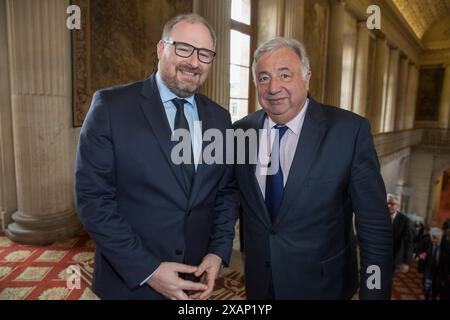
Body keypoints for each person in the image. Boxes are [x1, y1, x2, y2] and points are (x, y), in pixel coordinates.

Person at [75, 13, 239, 300]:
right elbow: (93, 200)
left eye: (205, 53)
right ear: (161, 49)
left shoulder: (220, 118)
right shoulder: (111, 107)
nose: (194, 61)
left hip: (194, 278)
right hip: (128, 282)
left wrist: (217, 251)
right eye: (183, 48)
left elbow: (225, 193)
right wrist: (148, 270)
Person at [233, 37, 393, 299]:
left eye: (285, 74)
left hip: (323, 287)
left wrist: (374, 293)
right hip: (260, 285)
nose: (274, 87)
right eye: (263, 78)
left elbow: (374, 227)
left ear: (307, 77)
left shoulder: (349, 132)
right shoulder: (240, 132)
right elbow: (230, 198)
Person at [387, 194, 413, 273]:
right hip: (378, 255)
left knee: (387, 282)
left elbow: (408, 242)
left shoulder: (405, 220)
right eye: (388, 203)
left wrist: (406, 262)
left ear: (398, 206)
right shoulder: (380, 217)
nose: (389, 206)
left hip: (394, 257)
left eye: (392, 204)